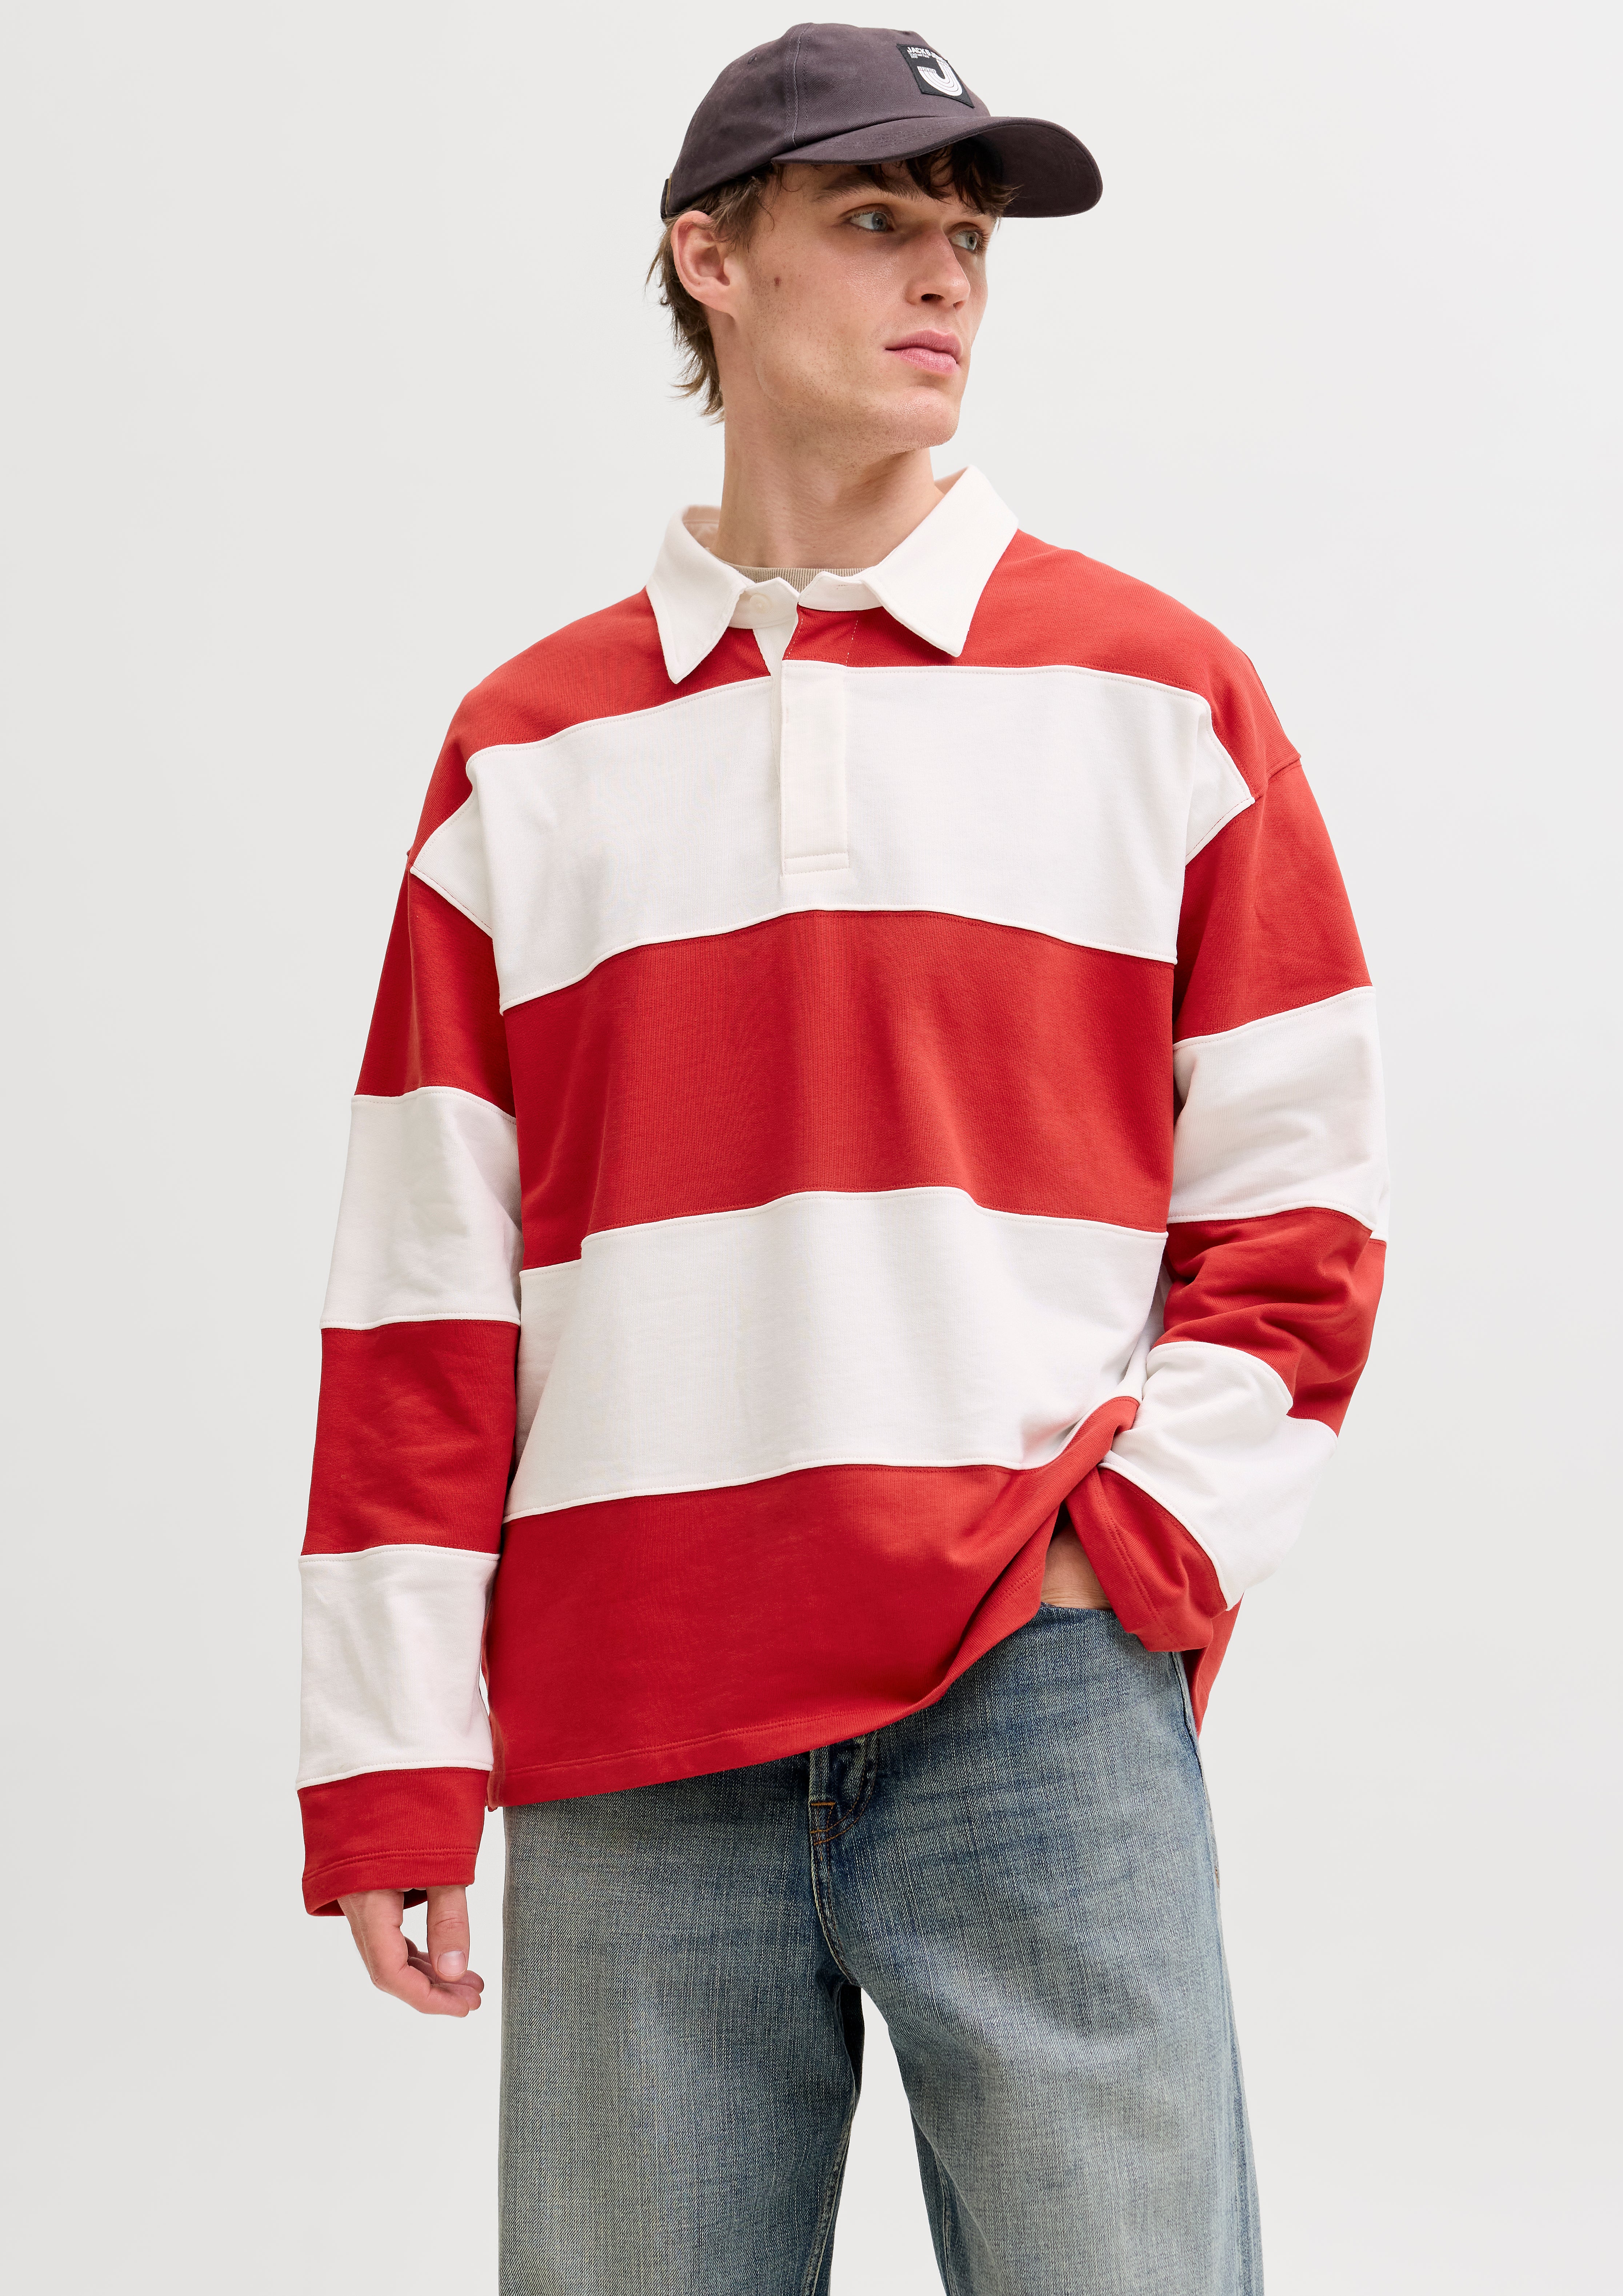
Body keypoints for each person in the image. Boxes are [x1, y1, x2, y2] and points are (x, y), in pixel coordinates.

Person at [297, 23, 1387, 2293]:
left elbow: (1301, 1212)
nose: (946, 280)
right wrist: (393, 1753)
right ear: (711, 260)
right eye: (878, 221)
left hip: (1033, 1688)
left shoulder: (1156, 694)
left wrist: (1130, 1559)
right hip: (630, 1731)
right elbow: (421, 1291)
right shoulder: (528, 752)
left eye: (969, 238)